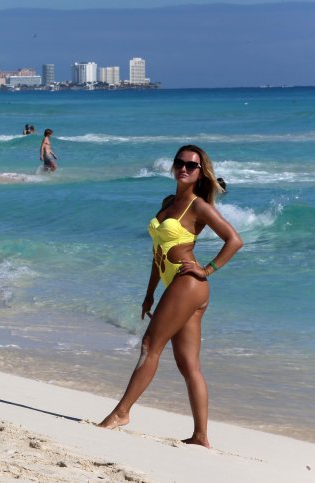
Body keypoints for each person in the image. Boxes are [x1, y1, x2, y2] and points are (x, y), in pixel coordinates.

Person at [98, 145, 242, 448]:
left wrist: (208, 268)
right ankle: (201, 436)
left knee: (150, 346)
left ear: (202, 172)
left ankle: (121, 413)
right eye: (180, 163)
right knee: (188, 365)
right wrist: (150, 293)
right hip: (173, 285)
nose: (185, 168)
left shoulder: (198, 206)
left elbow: (234, 240)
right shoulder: (168, 202)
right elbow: (157, 253)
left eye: (192, 165)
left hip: (188, 283)